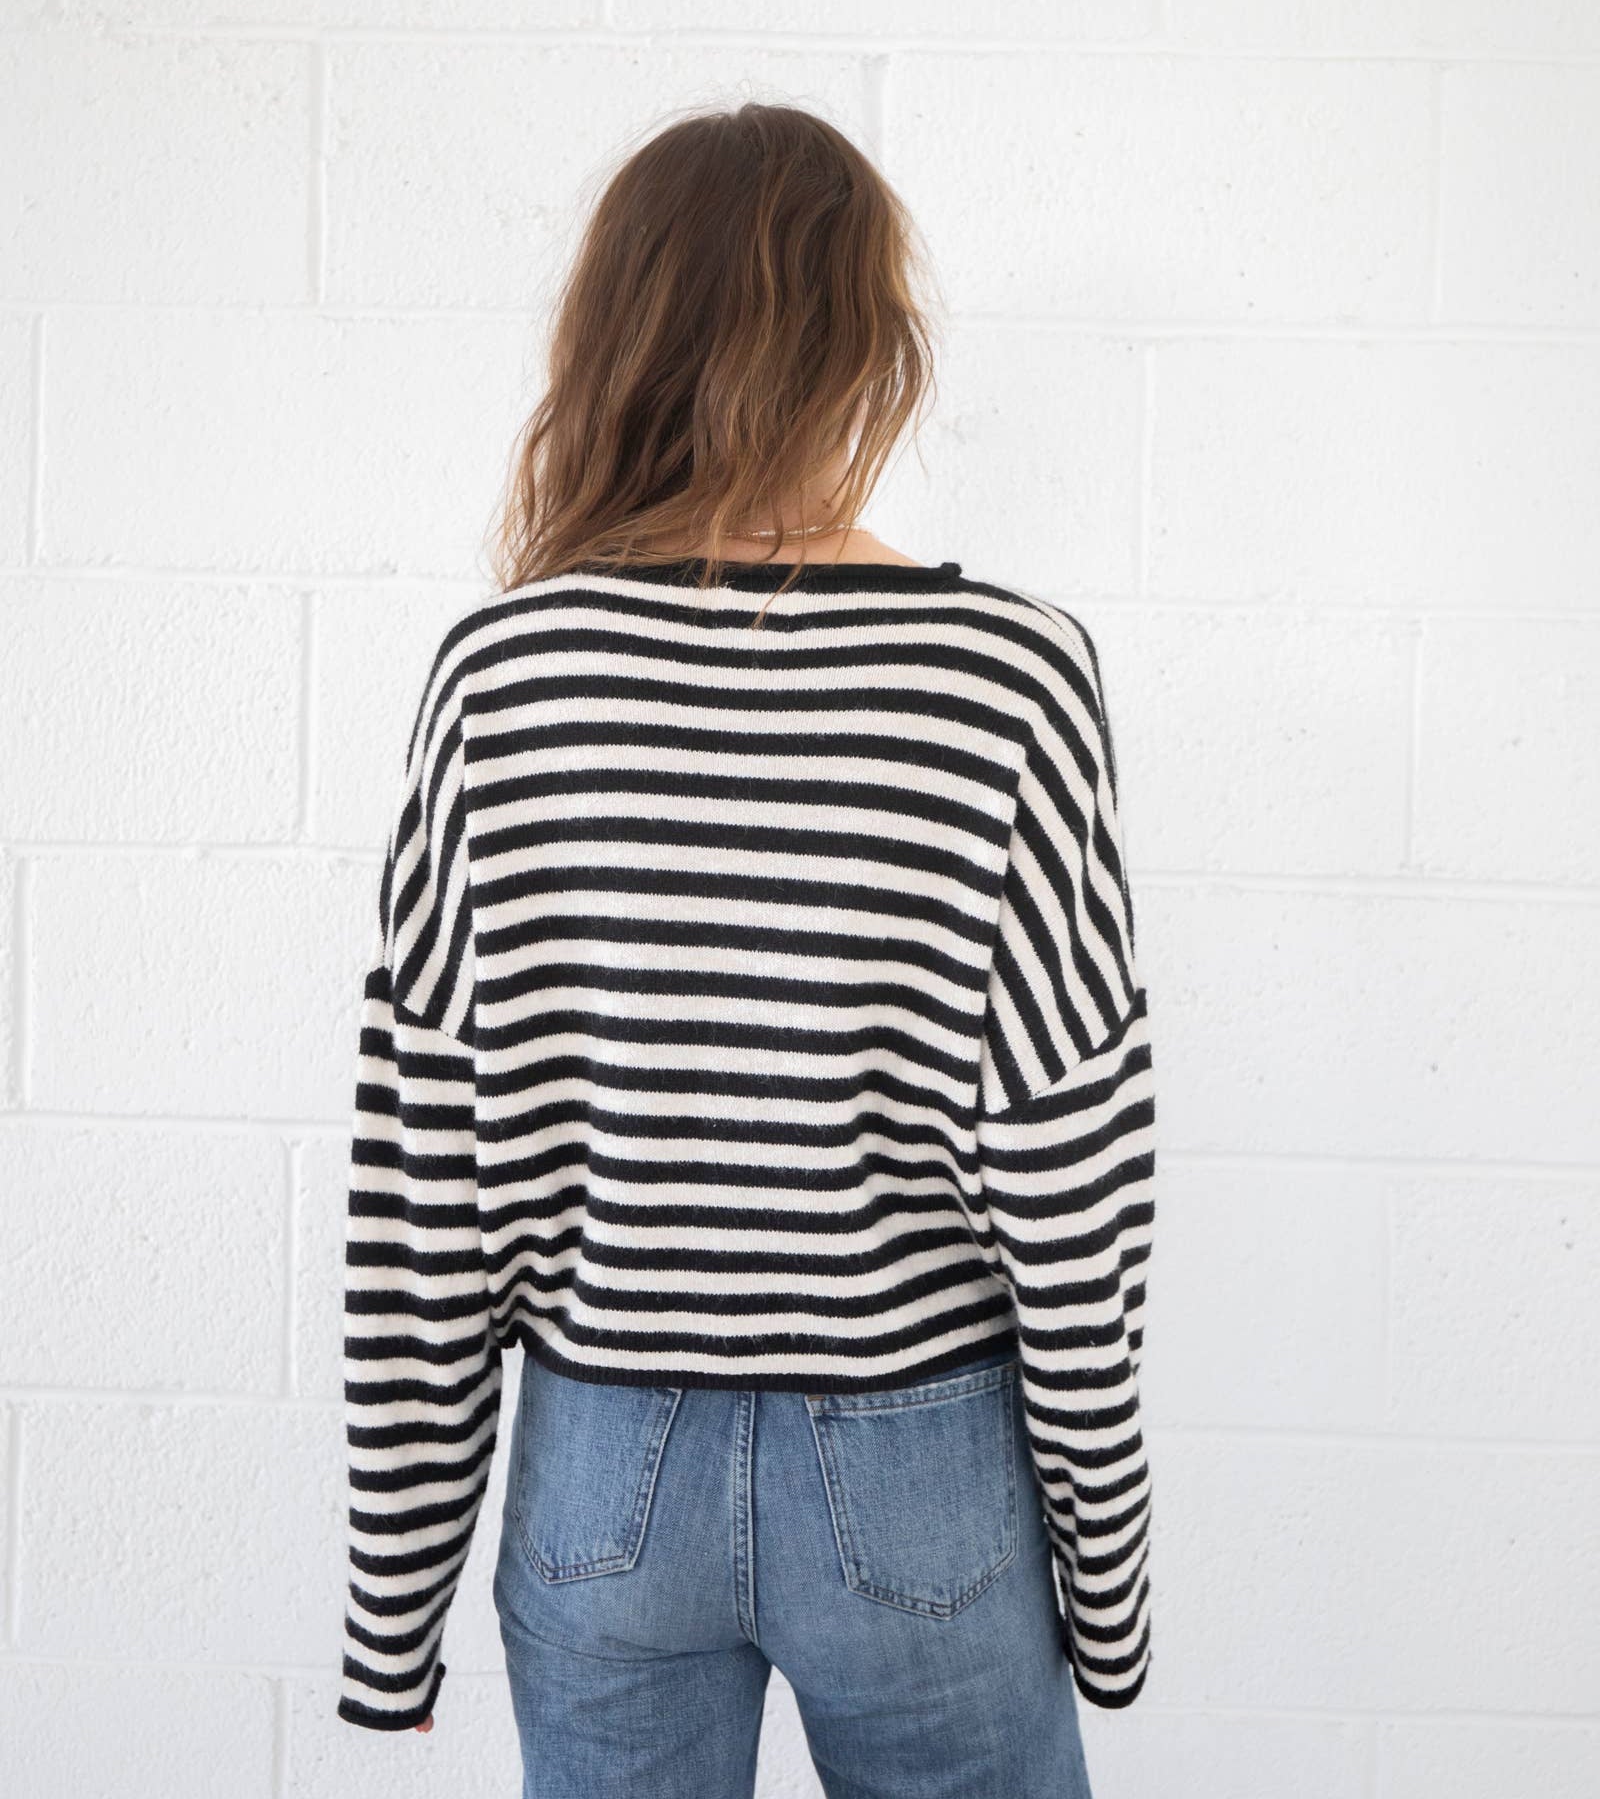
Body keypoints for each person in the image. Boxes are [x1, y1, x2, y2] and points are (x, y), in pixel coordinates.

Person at [335, 101, 1157, 1798]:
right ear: (869, 343)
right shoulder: (1009, 682)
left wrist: (392, 1606)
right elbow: (1072, 1176)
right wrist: (1109, 1582)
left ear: (616, 335)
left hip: (600, 1475)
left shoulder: (503, 679)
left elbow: (425, 1176)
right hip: (921, 1471)